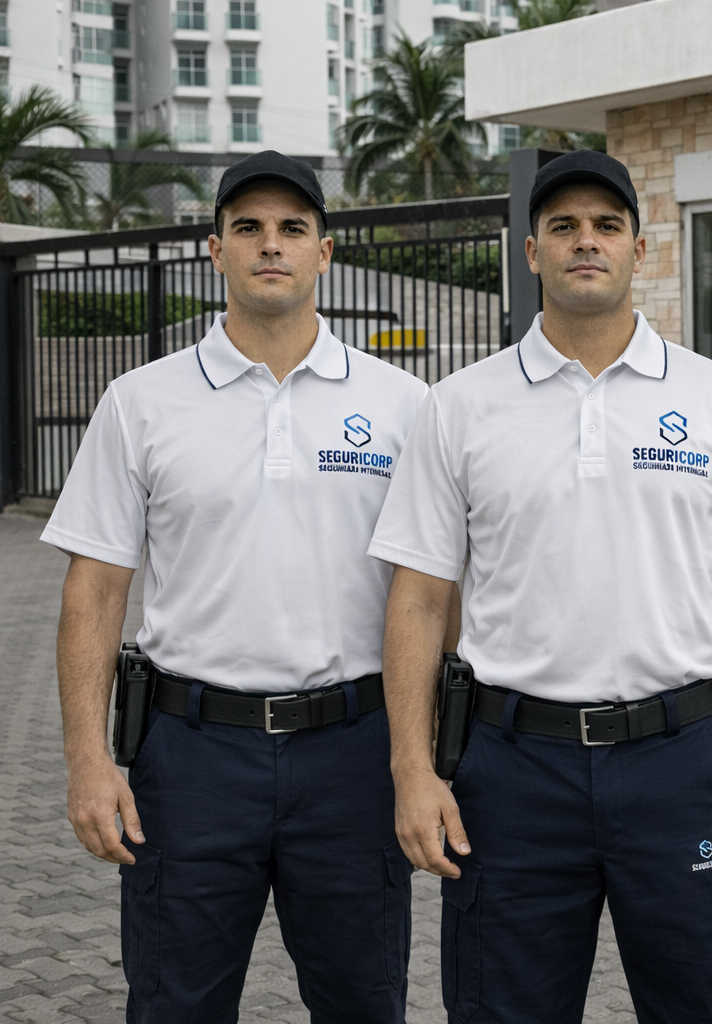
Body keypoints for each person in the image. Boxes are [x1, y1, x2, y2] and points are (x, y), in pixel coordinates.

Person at [370, 149, 712, 1024]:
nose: (587, 243)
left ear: (639, 250)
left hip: (683, 759)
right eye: (565, 227)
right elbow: (419, 599)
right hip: (511, 769)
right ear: (532, 252)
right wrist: (411, 770)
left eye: (607, 227)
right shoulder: (458, 407)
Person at [45, 151, 431, 1022]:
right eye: (248, 229)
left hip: (352, 754)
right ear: (214, 250)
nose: (271, 246)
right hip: (189, 757)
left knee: (366, 1002)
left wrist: (425, 760)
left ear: (324, 254)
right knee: (174, 1003)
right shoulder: (141, 402)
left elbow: (433, 590)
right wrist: (86, 760)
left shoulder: (404, 404)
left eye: (292, 229)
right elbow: (95, 592)